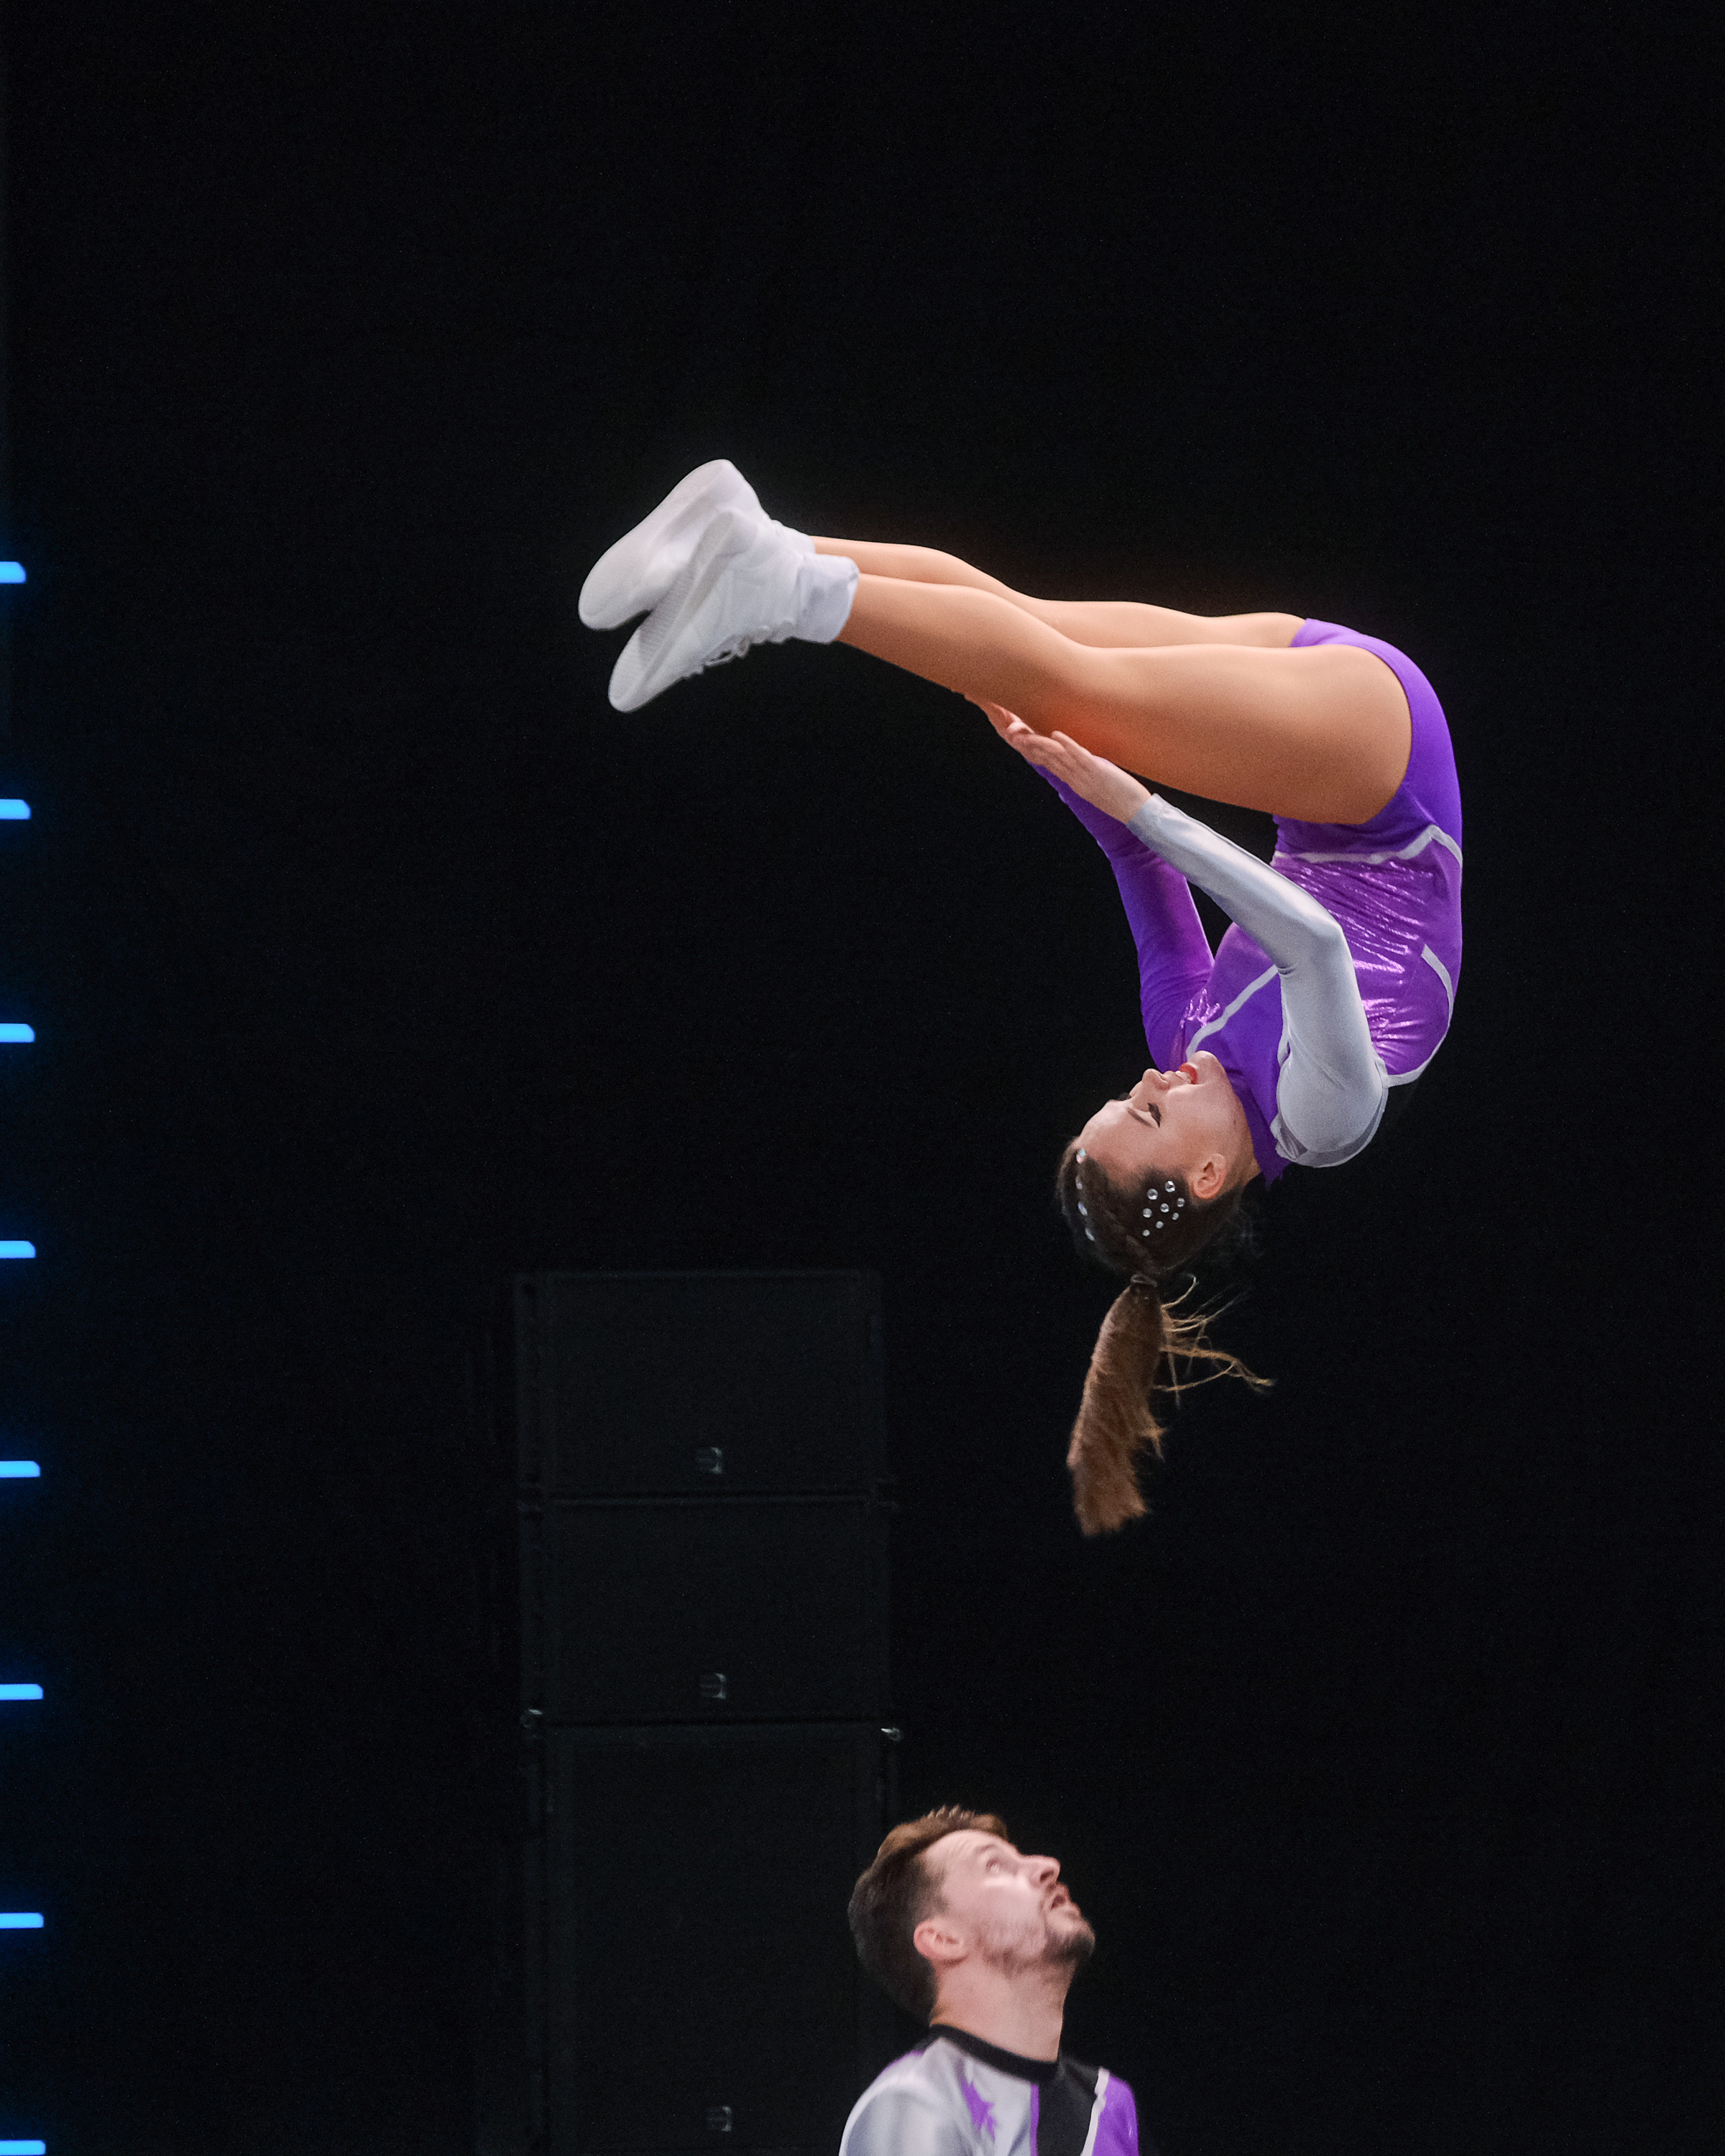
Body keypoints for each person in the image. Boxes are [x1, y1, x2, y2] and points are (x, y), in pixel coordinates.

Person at [580, 464, 1463, 1531]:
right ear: (1211, 1170)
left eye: (1121, 1099)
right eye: (1145, 1113)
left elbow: (1141, 869)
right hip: (1382, 774)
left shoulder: (1185, 1046)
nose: (1145, 1080)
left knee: (1018, 630)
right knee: (1069, 676)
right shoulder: (1326, 1122)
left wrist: (1044, 752)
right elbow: (1315, 943)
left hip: (1318, 736)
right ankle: (780, 590)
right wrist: (1135, 794)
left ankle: (762, 536)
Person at [841, 1806, 1147, 2156]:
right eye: (995, 1866)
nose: (1047, 1865)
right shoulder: (913, 2101)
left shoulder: (1112, 2103)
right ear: (943, 1939)